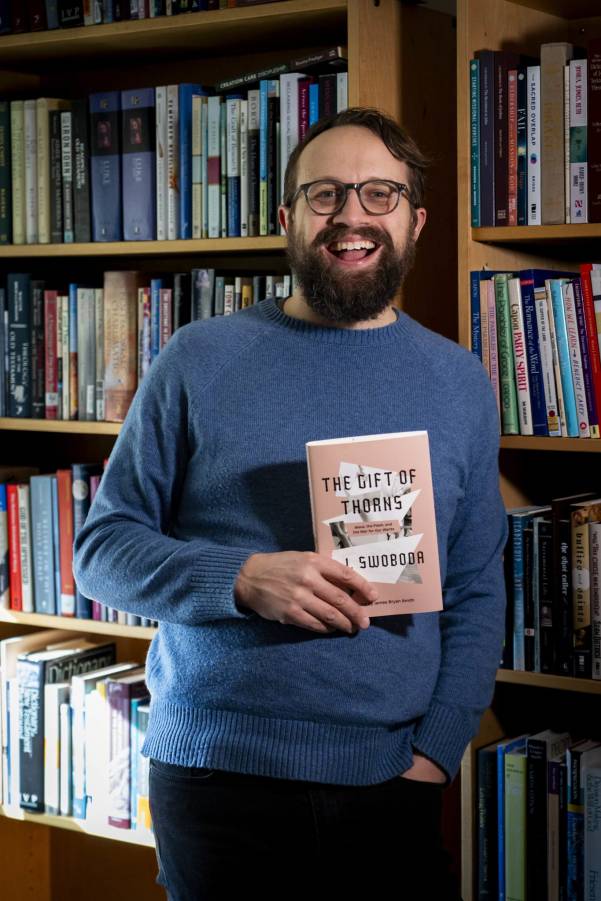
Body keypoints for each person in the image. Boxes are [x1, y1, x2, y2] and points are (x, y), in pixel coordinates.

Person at [73, 107, 507, 900]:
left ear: (414, 220)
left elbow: (476, 589)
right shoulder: (197, 358)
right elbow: (103, 552)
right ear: (286, 218)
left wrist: (437, 752)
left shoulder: (458, 382)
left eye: (379, 194)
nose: (351, 215)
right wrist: (239, 578)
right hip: (216, 778)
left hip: (391, 779)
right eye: (325, 194)